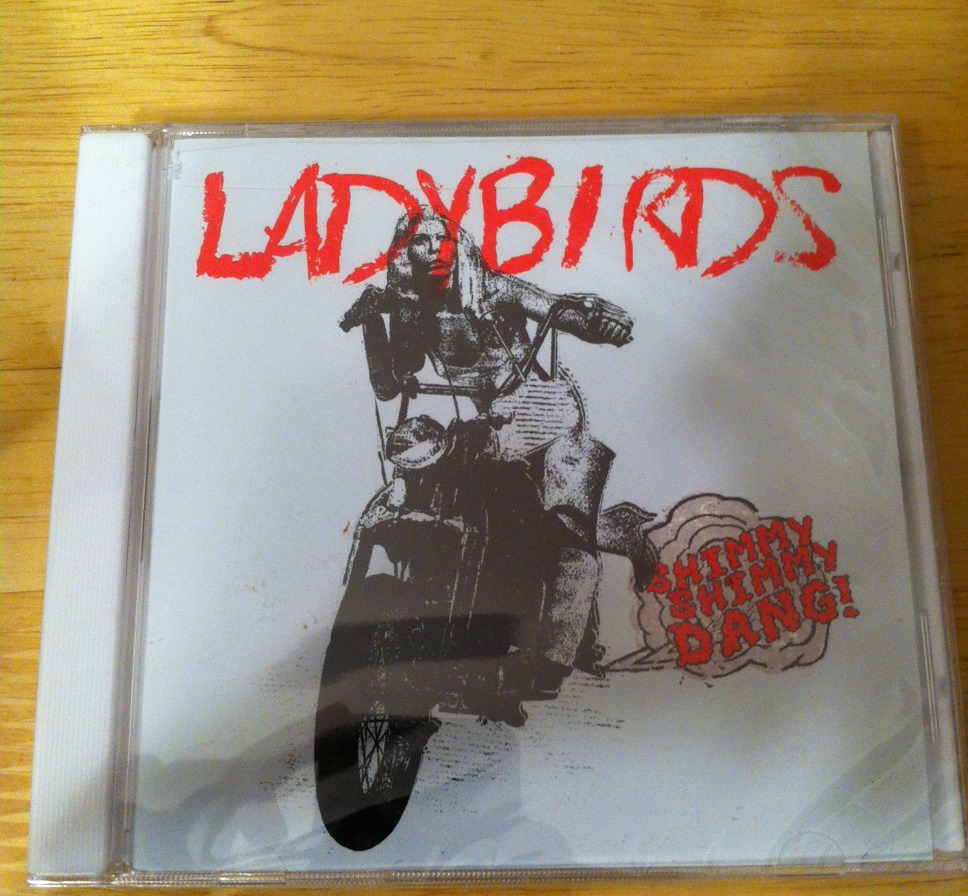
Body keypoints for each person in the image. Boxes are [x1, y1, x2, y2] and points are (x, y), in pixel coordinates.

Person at [340, 209, 634, 706]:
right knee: (459, 499)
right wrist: (372, 322)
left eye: (442, 239)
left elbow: (557, 309)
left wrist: (599, 320)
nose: (434, 250)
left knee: (565, 528)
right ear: (405, 253)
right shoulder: (412, 307)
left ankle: (551, 659)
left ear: (459, 245)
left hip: (542, 410)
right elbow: (390, 385)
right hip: (487, 423)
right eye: (420, 242)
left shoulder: (497, 291)